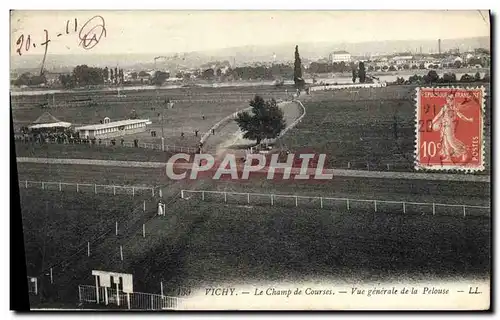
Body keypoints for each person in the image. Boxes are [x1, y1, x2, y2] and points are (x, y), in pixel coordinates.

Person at [431, 93, 474, 161]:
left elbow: (461, 115)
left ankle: (463, 151)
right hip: (444, 127)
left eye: (452, 98)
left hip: (450, 127)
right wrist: (432, 122)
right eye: (449, 98)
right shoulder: (445, 107)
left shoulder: (454, 108)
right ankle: (448, 157)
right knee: (446, 143)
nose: (451, 100)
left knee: (451, 141)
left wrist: (468, 119)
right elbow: (438, 115)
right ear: (447, 99)